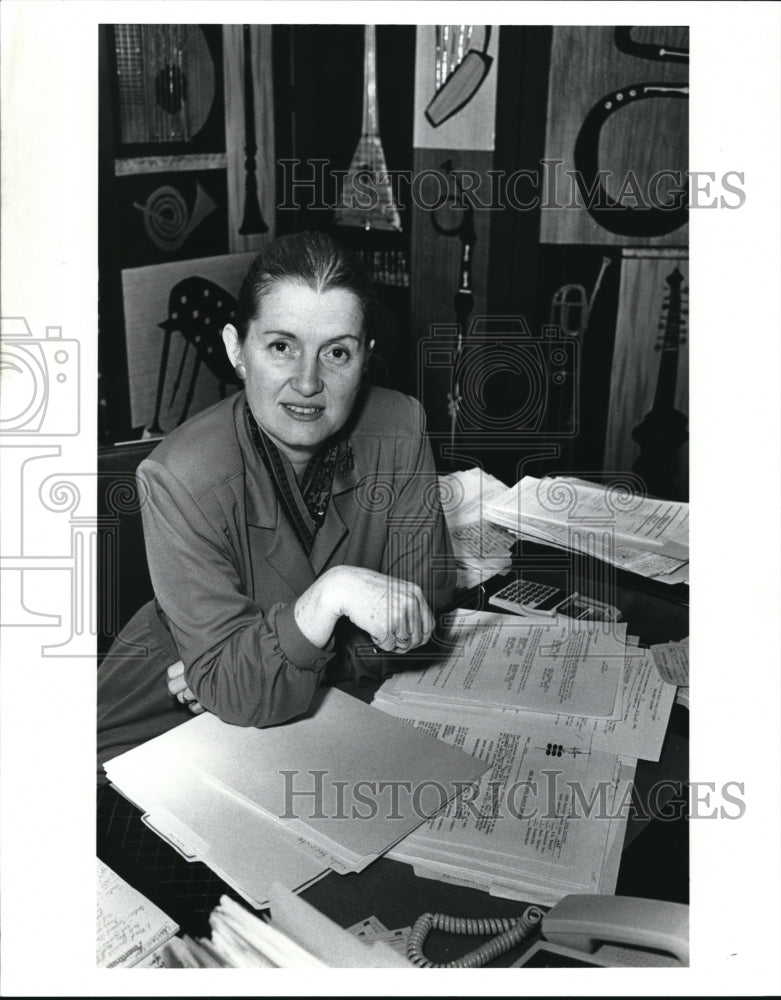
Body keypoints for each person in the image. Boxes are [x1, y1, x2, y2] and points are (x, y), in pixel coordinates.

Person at [97, 231, 455, 779]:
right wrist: (328, 602)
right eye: (281, 346)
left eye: (337, 352)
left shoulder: (400, 427)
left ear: (366, 359)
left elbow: (418, 611)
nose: (308, 382)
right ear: (237, 349)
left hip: (294, 727)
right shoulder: (179, 477)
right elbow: (238, 690)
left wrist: (251, 667)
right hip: (151, 736)